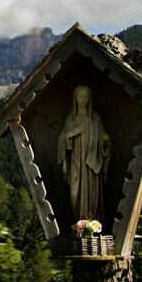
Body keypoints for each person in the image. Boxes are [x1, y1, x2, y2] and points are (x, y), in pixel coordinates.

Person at [58, 85, 110, 222]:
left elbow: (104, 138)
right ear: (75, 98)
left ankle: (92, 221)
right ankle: (78, 220)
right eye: (80, 96)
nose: (83, 100)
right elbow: (62, 138)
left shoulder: (95, 119)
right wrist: (71, 134)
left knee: (92, 193)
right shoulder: (71, 118)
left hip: (91, 161)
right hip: (76, 159)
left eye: (85, 96)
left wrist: (105, 143)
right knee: (75, 191)